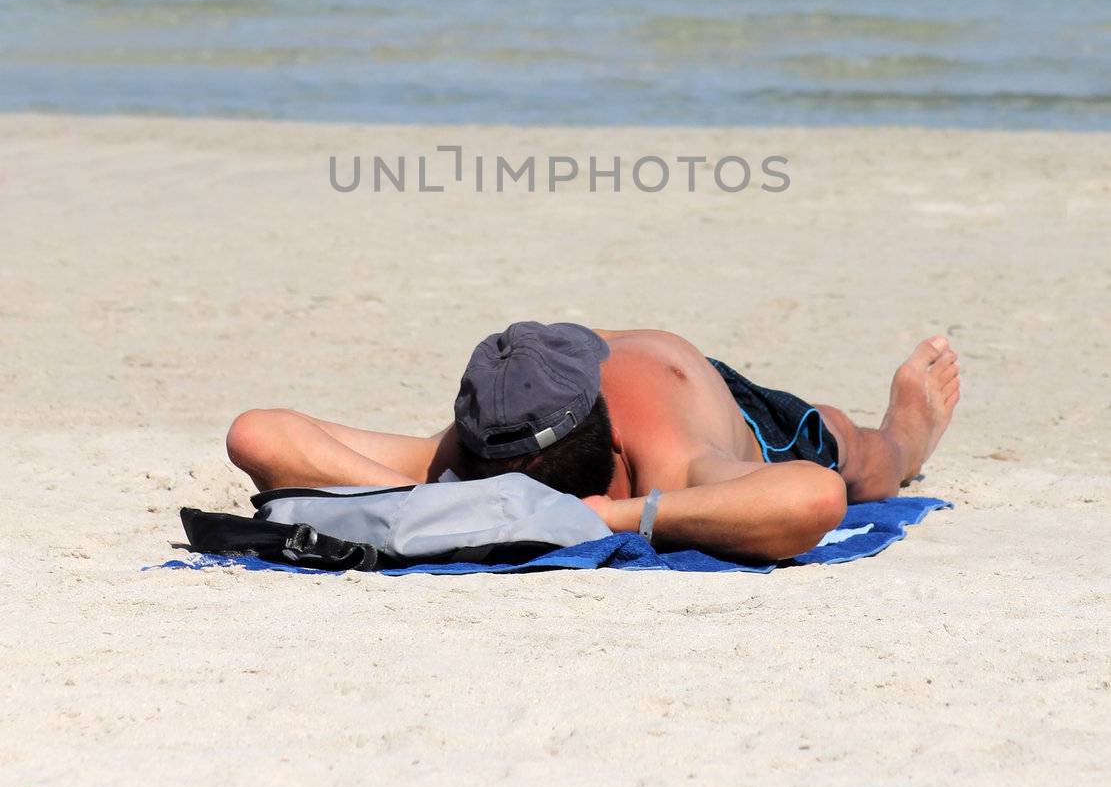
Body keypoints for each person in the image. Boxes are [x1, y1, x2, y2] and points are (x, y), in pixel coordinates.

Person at [225, 322, 961, 563]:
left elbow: (815, 494)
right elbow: (257, 431)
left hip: (694, 392)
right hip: (553, 377)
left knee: (855, 458)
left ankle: (904, 435)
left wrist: (616, 515)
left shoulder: (666, 457)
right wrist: (431, 502)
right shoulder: (470, 453)